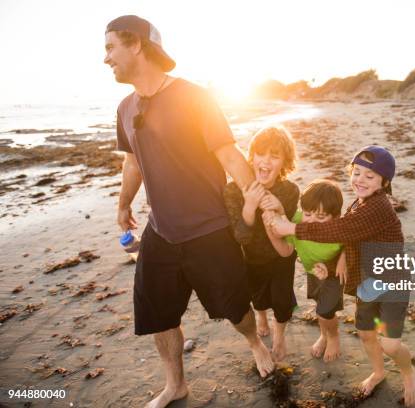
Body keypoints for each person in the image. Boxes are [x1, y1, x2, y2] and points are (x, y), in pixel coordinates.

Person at [104, 15, 273, 408]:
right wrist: (124, 202)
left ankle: (254, 341)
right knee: (159, 314)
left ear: (137, 45)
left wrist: (261, 199)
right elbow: (132, 162)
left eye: (111, 47)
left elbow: (228, 153)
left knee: (234, 308)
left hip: (210, 229)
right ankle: (175, 384)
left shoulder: (195, 97)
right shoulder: (125, 107)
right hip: (160, 231)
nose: (106, 58)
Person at [270, 146, 415, 406]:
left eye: (370, 176)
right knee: (365, 334)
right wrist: (329, 268)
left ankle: (409, 372)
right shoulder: (359, 203)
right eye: (357, 172)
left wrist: (292, 227)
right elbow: (351, 242)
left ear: (384, 182)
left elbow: (341, 230)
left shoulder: (378, 208)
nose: (360, 180)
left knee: (391, 346)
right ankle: (378, 372)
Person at [223, 126, 299, 362]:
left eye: (274, 156)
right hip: (252, 256)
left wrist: (279, 207)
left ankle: (279, 336)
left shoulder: (290, 190)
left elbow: (287, 229)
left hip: (281, 257)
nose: (266, 161)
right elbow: (241, 237)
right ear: (251, 157)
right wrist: (249, 206)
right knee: (258, 297)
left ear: (284, 162)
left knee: (282, 299)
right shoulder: (233, 190)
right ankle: (262, 317)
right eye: (261, 154)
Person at [263, 179, 346, 362]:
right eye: (308, 214)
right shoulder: (298, 220)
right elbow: (285, 251)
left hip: (334, 274)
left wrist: (343, 258)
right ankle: (324, 336)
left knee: (325, 311)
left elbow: (355, 241)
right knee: (319, 306)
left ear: (336, 216)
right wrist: (271, 228)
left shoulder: (341, 227)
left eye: (321, 217)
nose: (312, 222)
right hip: (313, 272)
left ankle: (333, 337)